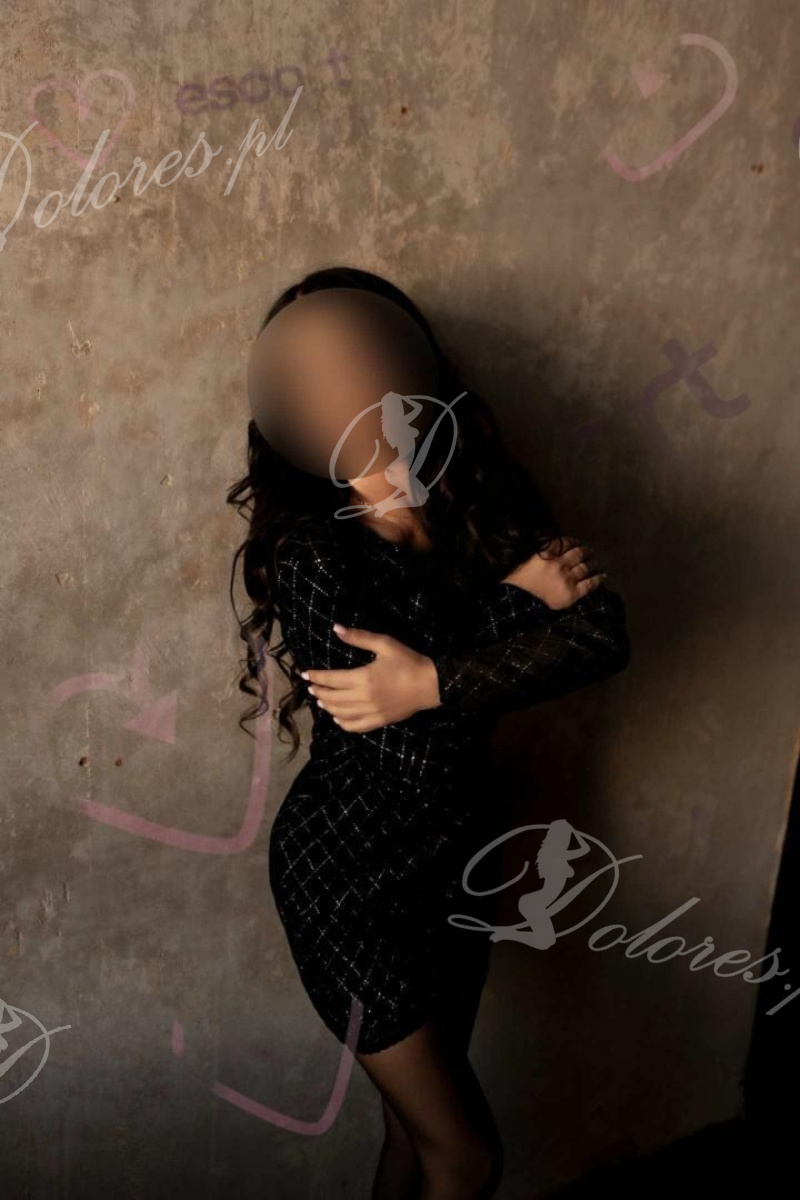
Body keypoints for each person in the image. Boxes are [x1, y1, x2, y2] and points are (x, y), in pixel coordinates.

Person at [227, 265, 631, 1199]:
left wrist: (428, 681)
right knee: (468, 1154)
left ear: (406, 368)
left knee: (417, 1138)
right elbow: (398, 739)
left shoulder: (479, 501)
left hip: (455, 861)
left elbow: (603, 635)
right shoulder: (314, 554)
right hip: (345, 883)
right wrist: (515, 609)